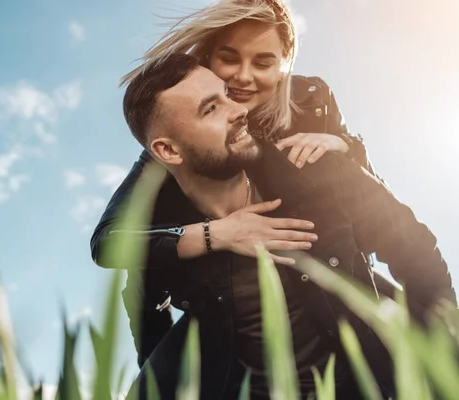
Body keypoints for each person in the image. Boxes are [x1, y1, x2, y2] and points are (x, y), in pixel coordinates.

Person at [100, 53, 455, 399]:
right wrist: (215, 235)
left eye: (225, 95)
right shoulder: (169, 237)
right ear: (169, 151)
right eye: (211, 109)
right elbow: (143, 306)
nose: (239, 110)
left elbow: (418, 256)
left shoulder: (320, 171)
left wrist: (444, 362)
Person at [93, 0, 386, 373]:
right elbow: (109, 243)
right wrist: (217, 234)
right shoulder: (172, 149)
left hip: (333, 270)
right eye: (229, 59)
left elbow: (374, 204)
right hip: (224, 297)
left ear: (283, 63)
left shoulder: (311, 101)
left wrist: (344, 147)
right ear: (207, 59)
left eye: (263, 63)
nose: (244, 78)